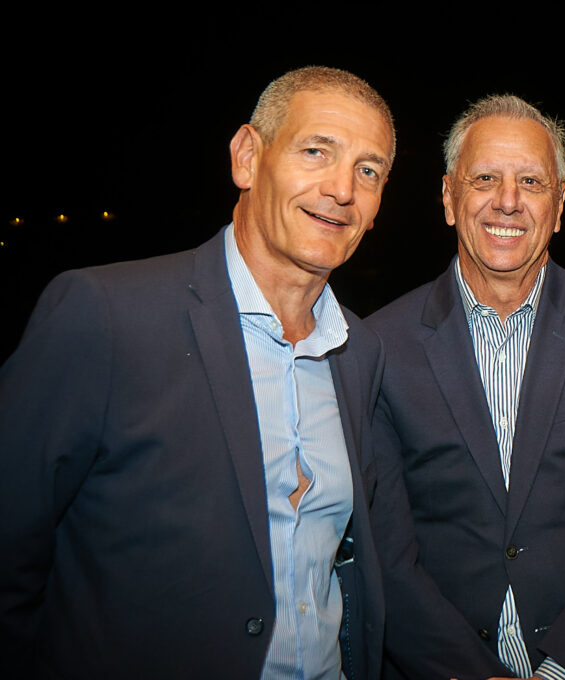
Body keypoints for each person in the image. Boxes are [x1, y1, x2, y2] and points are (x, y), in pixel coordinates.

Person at [0, 66, 395, 680]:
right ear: (247, 158)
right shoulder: (106, 317)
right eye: (316, 151)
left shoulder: (360, 352)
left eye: (368, 171)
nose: (342, 189)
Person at [367, 95, 565, 680]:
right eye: (485, 178)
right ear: (448, 197)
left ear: (559, 206)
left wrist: (562, 672)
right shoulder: (379, 346)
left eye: (531, 182)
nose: (507, 200)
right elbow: (386, 551)